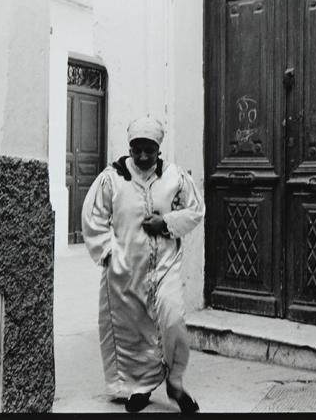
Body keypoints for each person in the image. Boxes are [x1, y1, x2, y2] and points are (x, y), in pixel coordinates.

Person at [81, 117, 205, 413]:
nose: (143, 157)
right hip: (127, 268)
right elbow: (93, 216)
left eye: (149, 150)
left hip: (165, 265)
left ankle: (175, 383)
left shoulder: (174, 175)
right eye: (137, 150)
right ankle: (141, 386)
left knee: (172, 317)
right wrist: (108, 253)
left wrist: (167, 222)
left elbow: (196, 210)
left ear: (158, 149)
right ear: (130, 148)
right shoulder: (112, 177)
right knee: (134, 332)